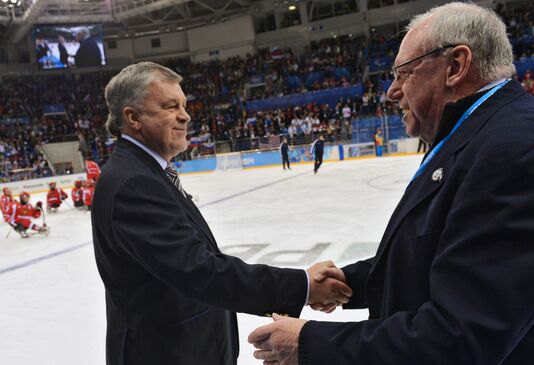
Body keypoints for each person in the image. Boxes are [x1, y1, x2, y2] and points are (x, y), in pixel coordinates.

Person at [248, 3, 534, 364]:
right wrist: (352, 281)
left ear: (454, 66)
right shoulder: (473, 133)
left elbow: (462, 334)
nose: (392, 92)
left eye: (403, 73)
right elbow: (444, 251)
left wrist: (310, 342)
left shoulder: (516, 149)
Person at [91, 62, 352, 365]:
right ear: (133, 117)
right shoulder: (132, 182)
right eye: (170, 106)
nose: (185, 115)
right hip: (167, 353)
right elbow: (200, 271)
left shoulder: (147, 172)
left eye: (184, 105)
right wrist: (303, 287)